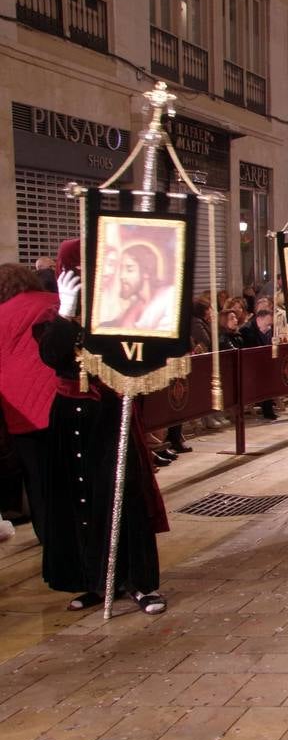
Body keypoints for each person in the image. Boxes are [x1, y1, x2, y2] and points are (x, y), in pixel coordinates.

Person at [38, 243, 168, 613]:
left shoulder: (121, 310)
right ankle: (93, 579)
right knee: (79, 497)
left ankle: (139, 581)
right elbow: (51, 356)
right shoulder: (54, 315)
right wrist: (66, 311)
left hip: (110, 412)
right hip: (68, 414)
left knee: (123, 494)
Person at [0, 262, 60, 542]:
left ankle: (50, 538)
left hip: (21, 411)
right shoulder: (55, 302)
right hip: (65, 401)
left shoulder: (1, 315)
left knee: (37, 479)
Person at [100, 241, 177, 333]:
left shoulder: (169, 297)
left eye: (129, 269)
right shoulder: (133, 306)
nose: (121, 276)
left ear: (146, 272)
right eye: (121, 269)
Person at [238, 302, 278, 420]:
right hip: (251, 365)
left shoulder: (268, 330)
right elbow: (249, 348)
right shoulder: (247, 330)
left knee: (269, 382)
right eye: (268, 323)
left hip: (264, 363)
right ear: (259, 319)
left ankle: (268, 410)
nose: (269, 326)